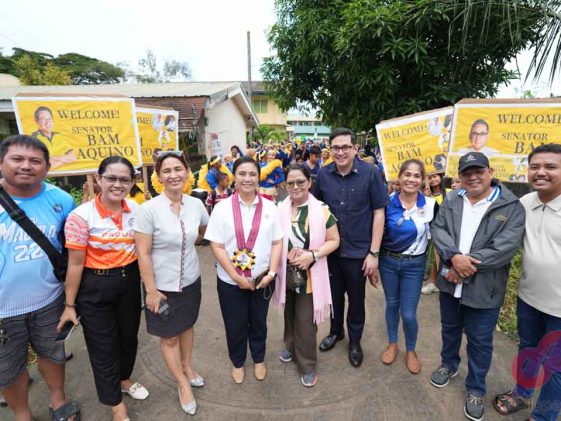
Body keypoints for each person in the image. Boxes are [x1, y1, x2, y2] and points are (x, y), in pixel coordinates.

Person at [429, 152, 525, 421]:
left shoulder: (510, 206)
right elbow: (438, 230)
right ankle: (449, 365)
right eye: (466, 173)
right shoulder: (452, 199)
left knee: (480, 342)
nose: (473, 177)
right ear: (459, 176)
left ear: (490, 171)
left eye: (478, 171)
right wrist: (453, 256)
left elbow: (504, 248)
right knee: (449, 330)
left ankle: (475, 388)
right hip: (450, 284)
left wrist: (462, 265)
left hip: (485, 288)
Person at [58, 156, 148, 421]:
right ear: (99, 179)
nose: (117, 184)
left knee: (128, 338)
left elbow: (144, 250)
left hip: (129, 281)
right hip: (95, 286)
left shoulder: (136, 209)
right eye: (111, 178)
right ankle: (115, 404)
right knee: (103, 347)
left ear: (132, 182)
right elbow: (75, 264)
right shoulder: (80, 216)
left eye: (124, 179)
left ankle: (124, 379)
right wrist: (69, 305)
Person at [0, 135, 79, 421]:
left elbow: (71, 249)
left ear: (47, 167)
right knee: (8, 368)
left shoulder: (62, 200)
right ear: (1, 163)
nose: (26, 166)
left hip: (49, 300)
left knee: (53, 354)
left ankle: (58, 400)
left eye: (35, 161)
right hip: (2, 311)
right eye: (17, 159)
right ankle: (22, 414)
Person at [134, 152, 208, 415]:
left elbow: (202, 232)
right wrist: (151, 290)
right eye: (166, 171)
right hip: (161, 287)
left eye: (178, 169)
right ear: (159, 176)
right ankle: (181, 383)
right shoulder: (148, 210)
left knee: (186, 326)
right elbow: (143, 252)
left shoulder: (196, 205)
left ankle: (187, 366)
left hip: (191, 280)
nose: (173, 175)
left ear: (187, 171)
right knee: (169, 337)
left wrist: (187, 246)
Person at [493, 143, 561, 421]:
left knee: (556, 367)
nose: (541, 172)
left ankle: (543, 416)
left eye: (550, 167)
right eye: (535, 167)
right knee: (528, 348)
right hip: (529, 297)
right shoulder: (524, 204)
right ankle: (522, 393)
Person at [204, 156, 283, 384]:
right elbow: (216, 245)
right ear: (234, 177)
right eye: (242, 174)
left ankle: (259, 359)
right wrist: (236, 276)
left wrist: (272, 273)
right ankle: (238, 362)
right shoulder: (222, 208)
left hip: (262, 280)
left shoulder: (270, 207)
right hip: (230, 282)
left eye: (252, 174)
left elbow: (277, 242)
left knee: (259, 322)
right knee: (235, 324)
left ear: (259, 177)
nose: (247, 179)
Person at [314, 127, 388, 367]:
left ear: (355, 148)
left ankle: (355, 341)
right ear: (330, 149)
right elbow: (315, 210)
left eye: (345, 147)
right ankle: (336, 332)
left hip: (358, 252)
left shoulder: (371, 173)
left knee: (356, 300)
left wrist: (374, 253)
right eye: (335, 147)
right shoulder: (323, 175)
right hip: (331, 251)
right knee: (334, 297)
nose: (340, 152)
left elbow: (379, 213)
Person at [274, 164, 340, 387]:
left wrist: (313, 255)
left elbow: (334, 240)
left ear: (309, 182)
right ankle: (290, 346)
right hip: (286, 273)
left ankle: (308, 364)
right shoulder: (280, 209)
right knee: (289, 313)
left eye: (300, 182)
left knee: (305, 320)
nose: (296, 187)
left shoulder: (321, 209)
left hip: (310, 276)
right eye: (290, 183)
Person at [378, 160, 436, 374]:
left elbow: (439, 238)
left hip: (414, 265)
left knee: (409, 313)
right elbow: (377, 232)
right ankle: (393, 343)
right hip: (388, 262)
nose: (411, 179)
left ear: (422, 180)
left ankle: (411, 350)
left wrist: (441, 269)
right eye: (407, 174)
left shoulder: (430, 205)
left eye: (417, 176)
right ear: (400, 177)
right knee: (392, 305)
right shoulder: (386, 202)